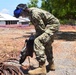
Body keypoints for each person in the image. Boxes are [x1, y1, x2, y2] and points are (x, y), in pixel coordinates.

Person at [14, 3, 60, 75]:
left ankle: (42, 68)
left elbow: (41, 30)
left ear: (24, 11)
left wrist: (33, 38)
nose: (22, 16)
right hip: (50, 25)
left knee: (38, 41)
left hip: (53, 26)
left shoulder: (34, 15)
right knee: (47, 43)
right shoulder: (31, 12)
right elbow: (40, 29)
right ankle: (51, 65)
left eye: (21, 14)